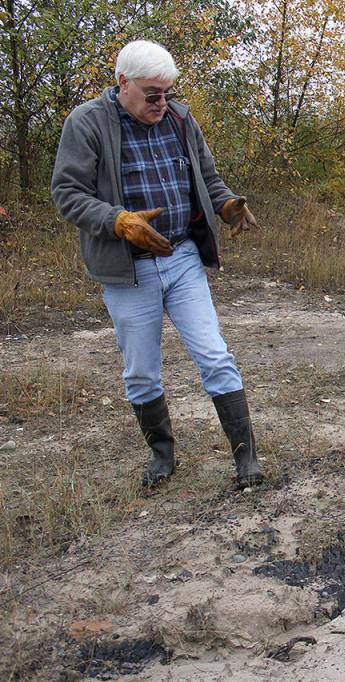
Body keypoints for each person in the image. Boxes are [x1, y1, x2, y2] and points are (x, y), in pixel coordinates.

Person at [51, 40, 263, 490]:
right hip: (128, 269)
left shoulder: (181, 119)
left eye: (166, 92)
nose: (161, 102)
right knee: (142, 371)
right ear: (122, 82)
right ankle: (162, 454)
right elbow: (67, 195)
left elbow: (206, 176)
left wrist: (225, 204)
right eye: (152, 93)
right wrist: (117, 220)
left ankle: (246, 459)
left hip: (183, 257)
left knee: (214, 355)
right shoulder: (86, 123)